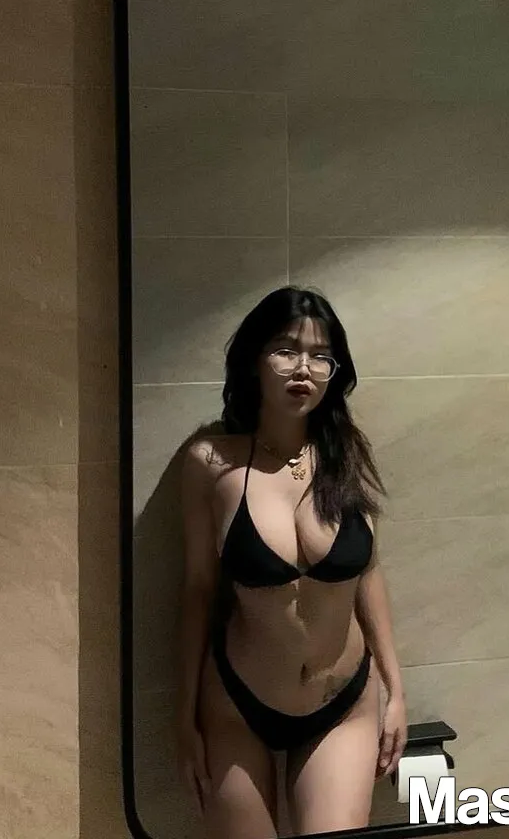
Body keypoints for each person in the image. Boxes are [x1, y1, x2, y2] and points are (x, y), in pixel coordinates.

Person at [175, 285, 407, 839]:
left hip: (342, 703)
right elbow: (198, 591)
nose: (304, 368)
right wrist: (182, 717)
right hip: (238, 705)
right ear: (255, 360)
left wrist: (396, 690)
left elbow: (367, 574)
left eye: (321, 356)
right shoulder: (211, 462)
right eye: (286, 350)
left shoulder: (346, 454)